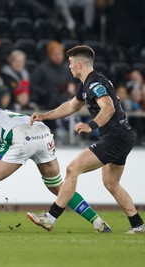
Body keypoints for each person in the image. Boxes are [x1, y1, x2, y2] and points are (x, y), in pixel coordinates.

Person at [27, 45, 144, 234]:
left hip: (115, 137)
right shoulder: (87, 84)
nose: (70, 67)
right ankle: (138, 225)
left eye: (71, 63)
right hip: (121, 136)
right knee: (111, 183)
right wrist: (44, 116)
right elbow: (70, 106)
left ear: (80, 64)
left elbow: (108, 108)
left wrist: (91, 125)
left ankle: (51, 217)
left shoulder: (95, 84)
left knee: (73, 168)